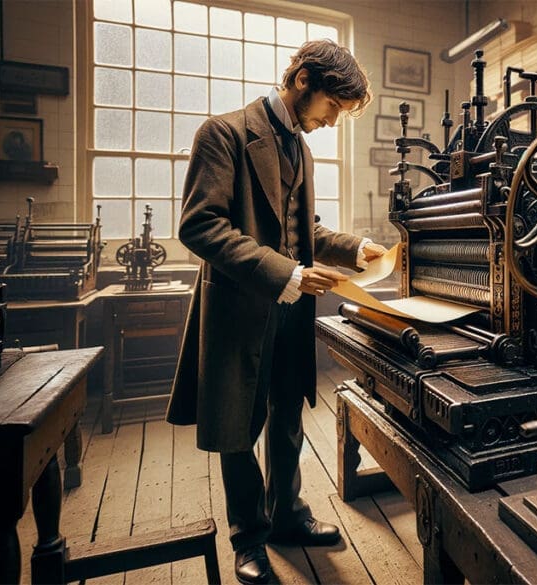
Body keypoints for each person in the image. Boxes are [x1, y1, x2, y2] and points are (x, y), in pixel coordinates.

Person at [167, 39, 386, 585]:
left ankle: (287, 515)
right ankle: (249, 539)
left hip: (289, 312)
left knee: (288, 414)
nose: (334, 122)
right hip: (241, 309)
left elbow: (300, 231)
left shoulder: (301, 149)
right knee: (240, 426)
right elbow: (201, 225)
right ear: (304, 80)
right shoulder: (223, 134)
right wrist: (286, 273)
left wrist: (356, 250)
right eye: (334, 107)